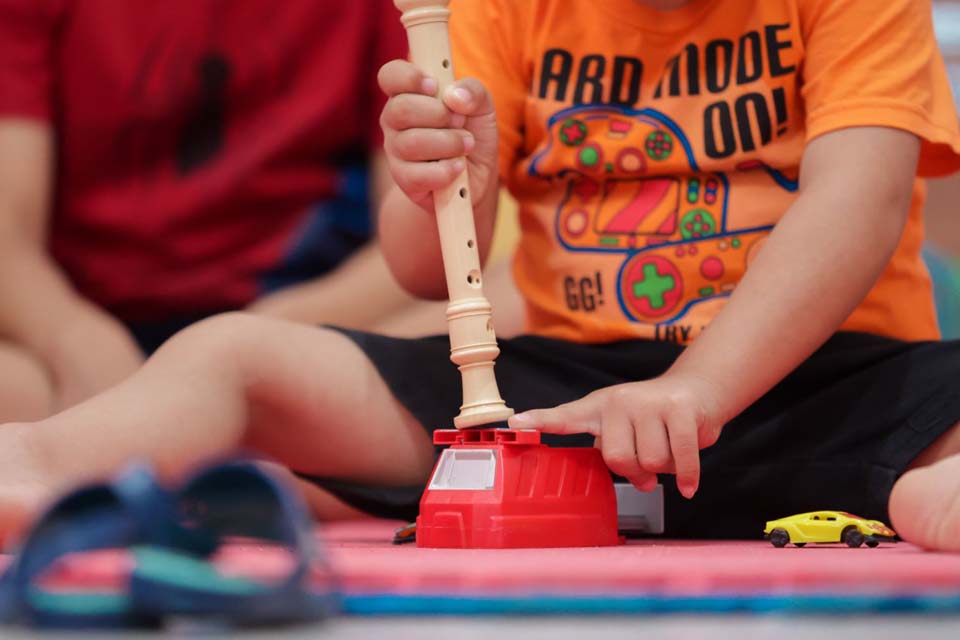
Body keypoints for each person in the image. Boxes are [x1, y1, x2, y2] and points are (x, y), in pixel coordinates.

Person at [2, 0, 960, 552]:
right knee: (231, 355)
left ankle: (924, 495)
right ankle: (40, 469)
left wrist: (697, 388)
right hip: (553, 416)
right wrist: (434, 183)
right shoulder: (503, 10)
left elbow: (859, 206)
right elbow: (426, 272)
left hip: (832, 383)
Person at [0, 0, 427, 422]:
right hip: (89, 319)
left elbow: (420, 245)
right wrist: (74, 338)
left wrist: (242, 350)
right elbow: (9, 244)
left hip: (303, 314)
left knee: (471, 328)